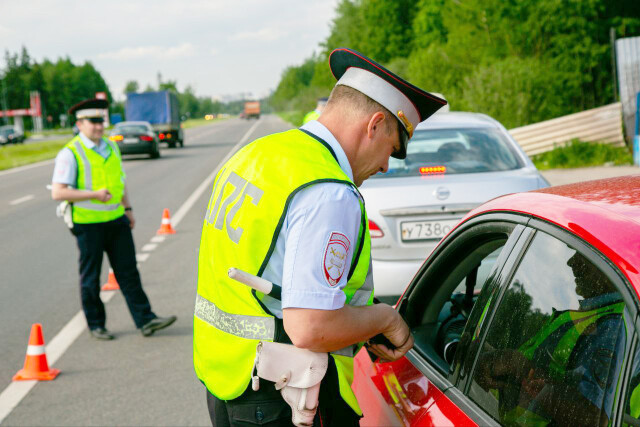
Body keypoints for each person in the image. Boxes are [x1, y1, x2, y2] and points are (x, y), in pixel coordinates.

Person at [194, 47, 447, 426]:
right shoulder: (329, 192)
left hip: (228, 381)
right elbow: (311, 326)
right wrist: (383, 319)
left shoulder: (259, 153)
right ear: (374, 124)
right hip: (284, 398)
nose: (383, 166)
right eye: (391, 151)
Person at [51, 98, 176, 340]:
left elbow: (120, 182)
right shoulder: (71, 153)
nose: (98, 126)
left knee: (129, 273)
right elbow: (58, 192)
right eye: (93, 121)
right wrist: (93, 195)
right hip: (87, 224)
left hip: (117, 220)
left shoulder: (111, 147)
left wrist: (128, 210)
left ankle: (146, 320)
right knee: (91, 277)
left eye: (101, 121)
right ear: (79, 123)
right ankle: (96, 324)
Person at [474, 252, 626, 426]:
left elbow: (593, 420)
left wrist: (519, 366)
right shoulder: (590, 315)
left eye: (584, 255)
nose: (571, 262)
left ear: (613, 262)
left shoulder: (612, 326)